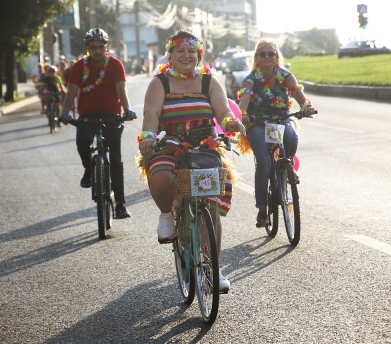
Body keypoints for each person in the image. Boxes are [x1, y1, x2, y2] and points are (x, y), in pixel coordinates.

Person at [137, 29, 246, 293]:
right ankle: (166, 214)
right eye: (180, 50)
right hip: (169, 145)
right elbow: (151, 114)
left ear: (198, 56)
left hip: (204, 147)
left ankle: (215, 268)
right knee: (161, 176)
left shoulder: (209, 81)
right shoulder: (160, 83)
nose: (186, 55)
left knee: (209, 208)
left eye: (191, 51)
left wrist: (232, 123)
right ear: (170, 55)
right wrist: (148, 137)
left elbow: (222, 111)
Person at [236, 38, 315, 226]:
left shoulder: (286, 75)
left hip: (280, 121)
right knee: (263, 162)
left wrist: (307, 106)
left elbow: (298, 94)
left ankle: (285, 168)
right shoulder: (250, 79)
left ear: (276, 56)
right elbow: (244, 100)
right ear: (256, 57)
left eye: (271, 53)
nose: (267, 57)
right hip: (257, 124)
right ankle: (263, 210)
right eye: (262, 53)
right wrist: (244, 115)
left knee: (291, 138)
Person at [60, 28, 136, 219]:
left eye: (101, 47)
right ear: (88, 48)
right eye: (93, 47)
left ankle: (120, 204)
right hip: (87, 113)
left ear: (106, 47)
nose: (97, 51)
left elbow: (122, 90)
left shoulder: (116, 65)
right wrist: (64, 113)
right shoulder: (79, 67)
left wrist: (126, 110)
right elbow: (71, 92)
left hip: (111, 113)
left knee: (116, 160)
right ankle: (88, 169)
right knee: (82, 140)